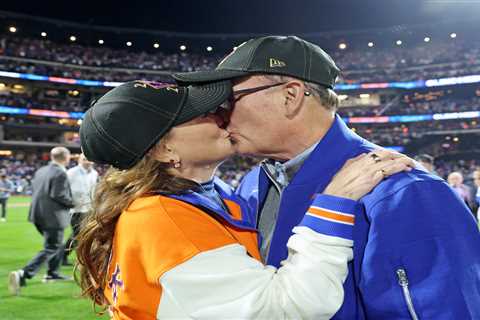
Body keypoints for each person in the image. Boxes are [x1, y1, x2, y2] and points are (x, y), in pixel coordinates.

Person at [174, 35, 480, 319]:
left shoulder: (404, 191)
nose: (219, 113)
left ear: (290, 96)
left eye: (229, 98)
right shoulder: (254, 181)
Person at [75, 80, 412, 319]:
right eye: (196, 115)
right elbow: (287, 310)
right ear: (165, 149)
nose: (220, 114)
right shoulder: (164, 218)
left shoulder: (196, 196)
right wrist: (335, 200)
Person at [8, 147, 74, 295]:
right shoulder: (59, 172)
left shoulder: (41, 170)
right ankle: (23, 273)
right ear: (66, 157)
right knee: (52, 246)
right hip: (53, 217)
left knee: (55, 244)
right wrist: (75, 202)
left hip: (37, 215)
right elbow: (59, 195)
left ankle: (52, 273)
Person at [62, 153, 98, 265]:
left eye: (89, 159)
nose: (87, 161)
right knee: (79, 235)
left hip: (89, 209)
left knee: (79, 235)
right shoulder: (71, 173)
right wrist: (68, 202)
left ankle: (62, 255)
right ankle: (85, 259)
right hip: (75, 209)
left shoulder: (94, 173)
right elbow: (63, 188)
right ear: (79, 160)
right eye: (84, 159)